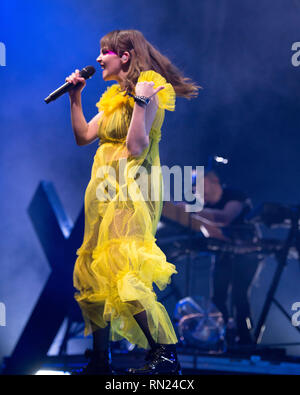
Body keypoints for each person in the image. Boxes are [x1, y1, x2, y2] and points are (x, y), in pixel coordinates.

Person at [65, 29, 199, 374]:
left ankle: (164, 352)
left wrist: (141, 102)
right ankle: (99, 359)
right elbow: (84, 136)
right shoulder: (113, 97)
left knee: (123, 266)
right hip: (103, 189)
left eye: (104, 52)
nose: (98, 59)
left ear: (125, 55)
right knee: (93, 270)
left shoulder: (149, 87)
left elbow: (137, 146)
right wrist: (75, 98)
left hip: (133, 188)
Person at [194, 170, 261, 347]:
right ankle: (222, 337)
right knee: (218, 296)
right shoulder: (204, 203)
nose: (199, 191)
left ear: (213, 181)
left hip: (247, 252)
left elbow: (225, 218)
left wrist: (192, 210)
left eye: (201, 186)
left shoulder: (234, 196)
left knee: (240, 295)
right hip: (224, 253)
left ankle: (245, 339)